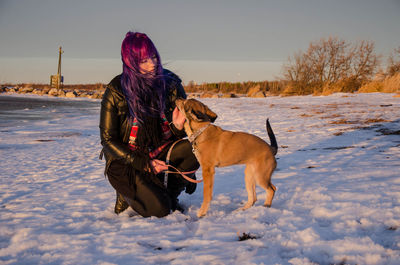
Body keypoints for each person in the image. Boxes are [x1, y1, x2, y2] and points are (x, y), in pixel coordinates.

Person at [99, 31, 199, 218]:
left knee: (196, 146)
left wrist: (177, 128)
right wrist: (145, 163)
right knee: (160, 210)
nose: (152, 64)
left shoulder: (171, 84)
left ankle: (171, 193)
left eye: (153, 57)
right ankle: (126, 193)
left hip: (160, 151)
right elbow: (107, 140)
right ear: (131, 62)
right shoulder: (116, 90)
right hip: (128, 161)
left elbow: (184, 131)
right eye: (144, 61)